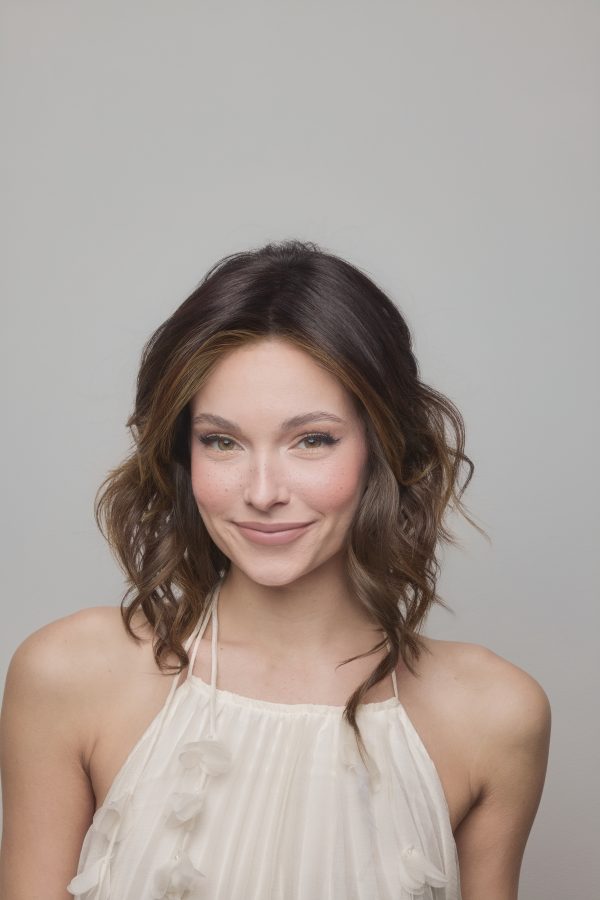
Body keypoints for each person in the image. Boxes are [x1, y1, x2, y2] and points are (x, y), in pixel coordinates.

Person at [0, 239, 551, 899]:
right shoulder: (70, 676)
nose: (262, 492)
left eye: (312, 440)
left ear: (384, 448)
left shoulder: (494, 716)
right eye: (222, 441)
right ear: (184, 453)